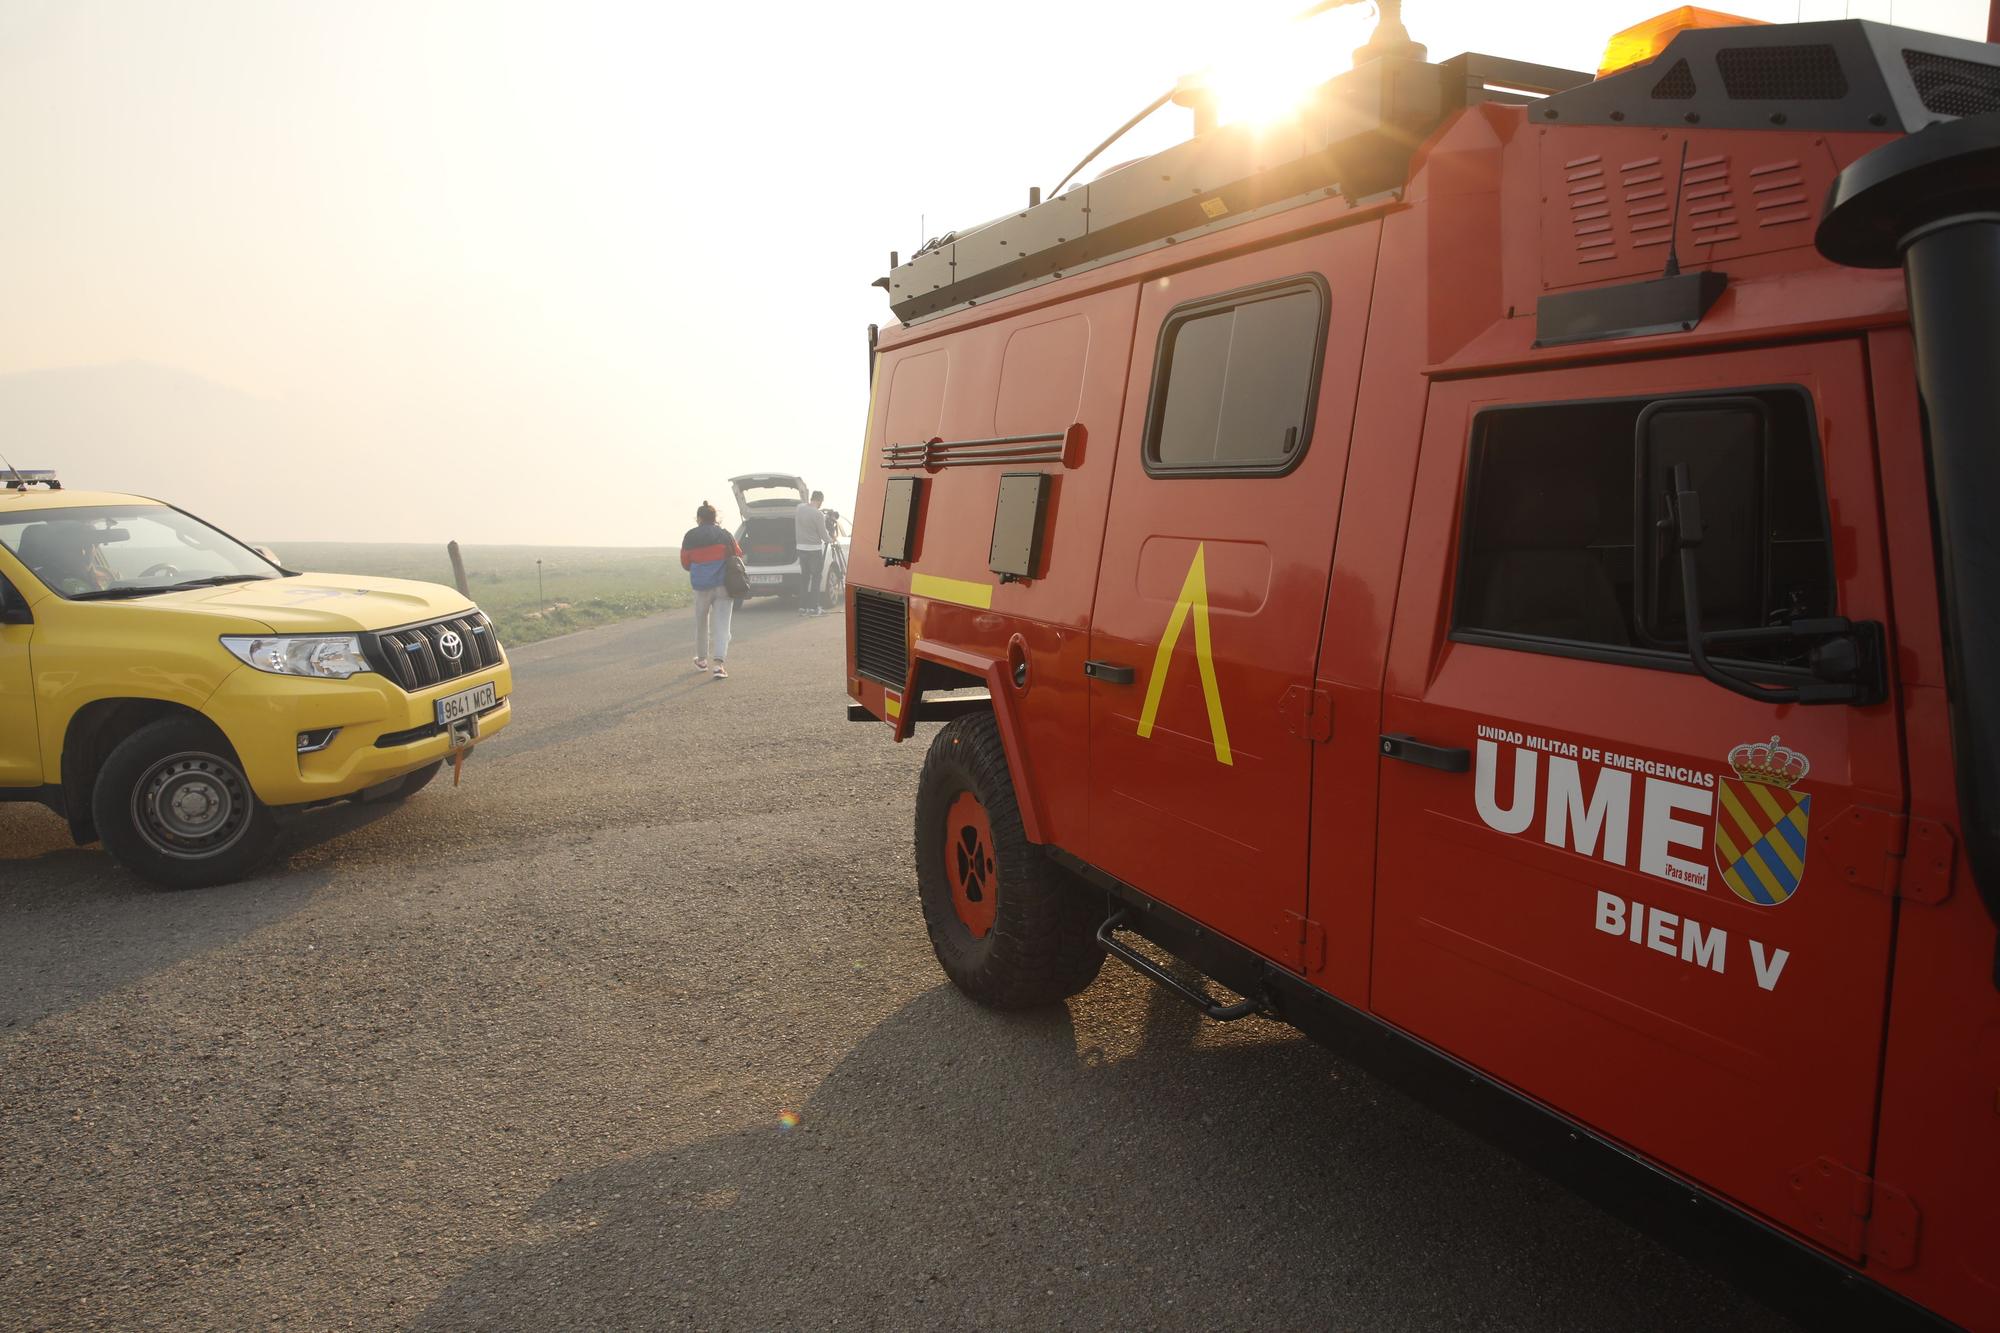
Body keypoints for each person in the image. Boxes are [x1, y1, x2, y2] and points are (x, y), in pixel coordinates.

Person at [680, 501, 740, 679]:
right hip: (723, 586)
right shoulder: (725, 535)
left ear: (699, 518)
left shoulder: (690, 536)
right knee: (722, 626)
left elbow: (685, 563)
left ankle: (701, 660)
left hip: (701, 587)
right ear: (715, 518)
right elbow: (737, 554)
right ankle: (719, 666)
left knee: (701, 623)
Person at [794, 489, 832, 616]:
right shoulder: (818, 514)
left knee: (804, 578)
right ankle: (814, 608)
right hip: (813, 550)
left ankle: (802, 608)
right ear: (820, 500)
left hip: (801, 548)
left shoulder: (799, 508)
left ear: (811, 498)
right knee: (816, 578)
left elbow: (804, 507)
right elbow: (823, 535)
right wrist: (831, 539)